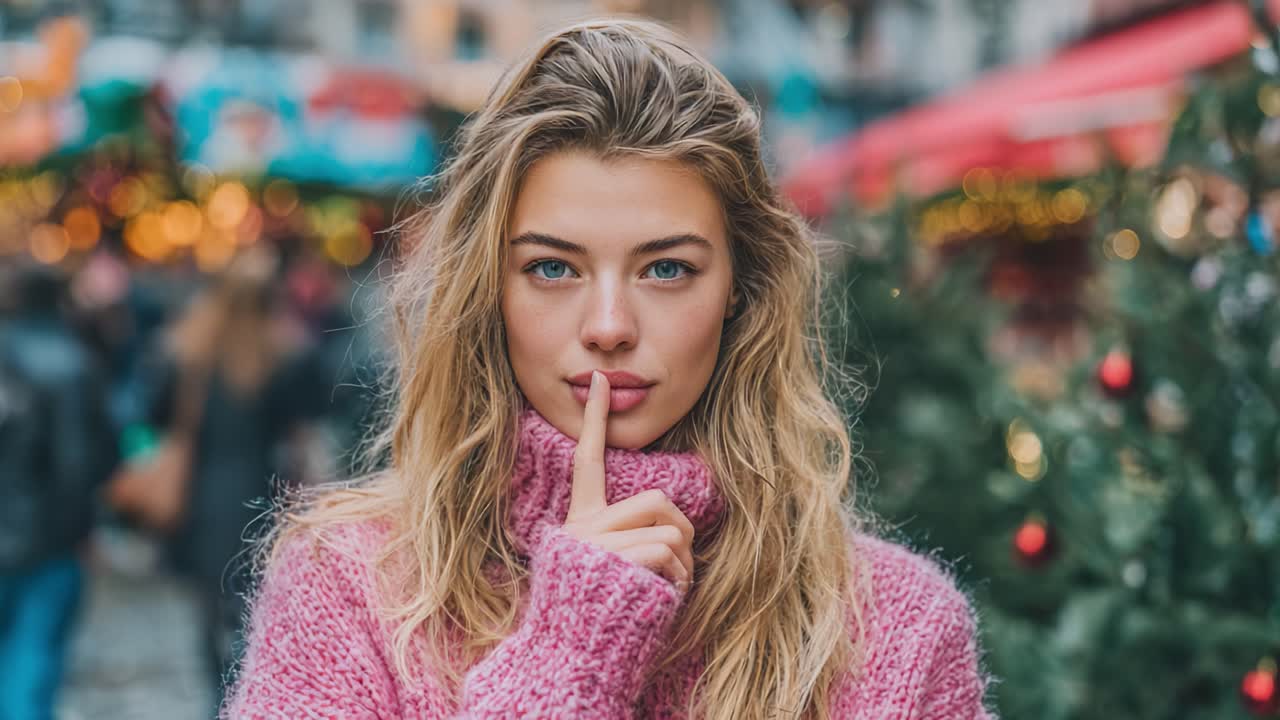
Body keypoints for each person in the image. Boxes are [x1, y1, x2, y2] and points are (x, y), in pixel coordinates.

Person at [223, 18, 995, 719]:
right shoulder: (351, 590)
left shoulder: (896, 629)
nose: (608, 328)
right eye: (553, 270)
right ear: (489, 289)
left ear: (740, 289)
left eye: (666, 270)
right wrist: (568, 654)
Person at [135, 247, 328, 708]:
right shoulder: (285, 354)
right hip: (263, 492)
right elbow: (306, 419)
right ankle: (235, 693)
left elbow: (153, 414)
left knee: (206, 608)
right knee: (252, 609)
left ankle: (215, 692)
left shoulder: (187, 350)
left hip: (198, 496)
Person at [0, 264, 117, 720]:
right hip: (50, 542)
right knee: (33, 664)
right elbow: (87, 465)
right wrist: (83, 531)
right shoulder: (73, 363)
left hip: (35, 535)